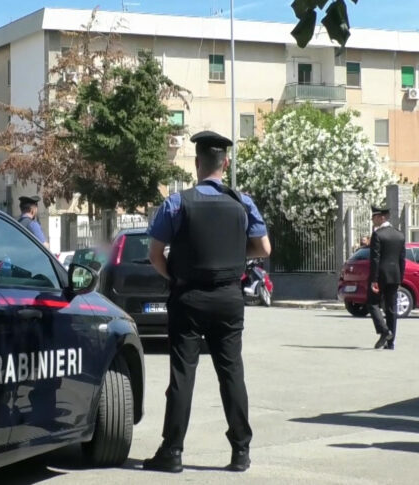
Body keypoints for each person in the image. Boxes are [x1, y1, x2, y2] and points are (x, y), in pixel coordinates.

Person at [142, 131, 271, 473]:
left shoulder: (177, 202)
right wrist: (232, 254)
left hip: (188, 297)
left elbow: (154, 253)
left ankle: (171, 453)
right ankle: (241, 452)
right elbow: (264, 249)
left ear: (197, 164)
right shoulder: (243, 202)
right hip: (229, 298)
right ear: (225, 164)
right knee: (231, 373)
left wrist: (175, 276)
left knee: (183, 375)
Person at [367, 205, 405, 350]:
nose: (372, 220)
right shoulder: (399, 235)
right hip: (395, 276)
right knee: (391, 309)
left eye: (374, 217)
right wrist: (400, 278)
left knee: (372, 303)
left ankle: (385, 331)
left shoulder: (378, 235)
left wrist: (374, 279)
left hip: (380, 275)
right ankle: (391, 343)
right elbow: (402, 259)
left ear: (381, 217)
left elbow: (375, 259)